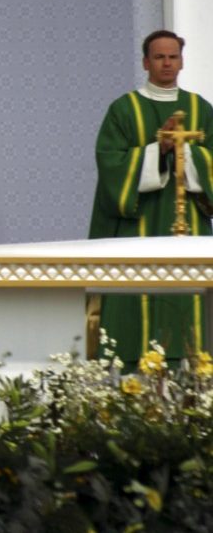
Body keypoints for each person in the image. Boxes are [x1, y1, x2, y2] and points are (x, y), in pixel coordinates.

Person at [89, 30, 213, 368]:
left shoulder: (200, 108)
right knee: (136, 306)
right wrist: (160, 150)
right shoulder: (125, 109)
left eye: (173, 56)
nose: (167, 63)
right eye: (159, 57)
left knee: (189, 305)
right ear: (146, 62)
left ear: (182, 61)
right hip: (138, 225)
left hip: (190, 225)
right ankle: (132, 376)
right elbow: (110, 163)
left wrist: (189, 155)